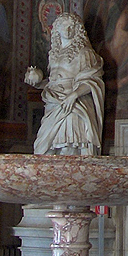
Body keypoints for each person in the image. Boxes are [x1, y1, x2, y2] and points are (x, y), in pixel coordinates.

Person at [26, 12, 105, 156]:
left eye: (71, 27)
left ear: (78, 30)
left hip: (73, 106)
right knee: (45, 150)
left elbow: (93, 80)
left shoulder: (85, 53)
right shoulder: (53, 54)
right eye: (63, 26)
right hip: (53, 103)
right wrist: (37, 82)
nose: (67, 30)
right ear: (56, 29)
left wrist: (73, 95)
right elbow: (52, 82)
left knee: (69, 147)